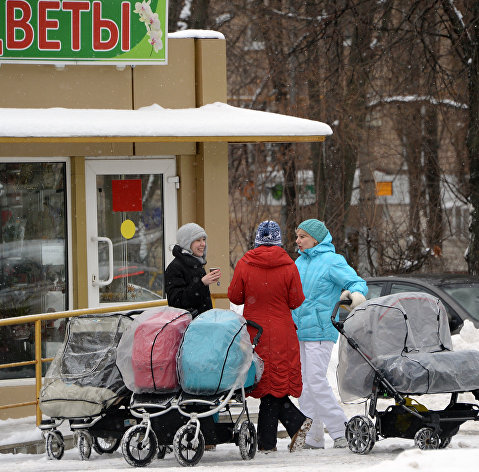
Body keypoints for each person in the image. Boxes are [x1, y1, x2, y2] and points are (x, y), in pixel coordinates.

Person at [228, 220, 312, 453]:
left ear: (257, 240)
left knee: (266, 384)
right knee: (275, 385)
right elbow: (296, 300)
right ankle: (278, 435)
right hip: (283, 331)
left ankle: (277, 436)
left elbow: (235, 296)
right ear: (278, 240)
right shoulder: (289, 265)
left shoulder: (245, 263)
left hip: (256, 332)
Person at [292, 219, 367, 449]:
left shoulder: (332, 261)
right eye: (297, 236)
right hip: (299, 330)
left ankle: (341, 430)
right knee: (303, 384)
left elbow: (357, 282)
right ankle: (313, 437)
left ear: (315, 238)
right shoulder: (298, 262)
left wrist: (354, 295)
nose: (298, 241)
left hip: (321, 330)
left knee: (315, 380)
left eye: (302, 237)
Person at [165, 222, 221, 317]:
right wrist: (201, 283)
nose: (203, 244)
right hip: (187, 327)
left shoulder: (197, 264)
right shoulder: (175, 268)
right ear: (187, 243)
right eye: (198, 240)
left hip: (202, 324)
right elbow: (176, 302)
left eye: (203, 239)